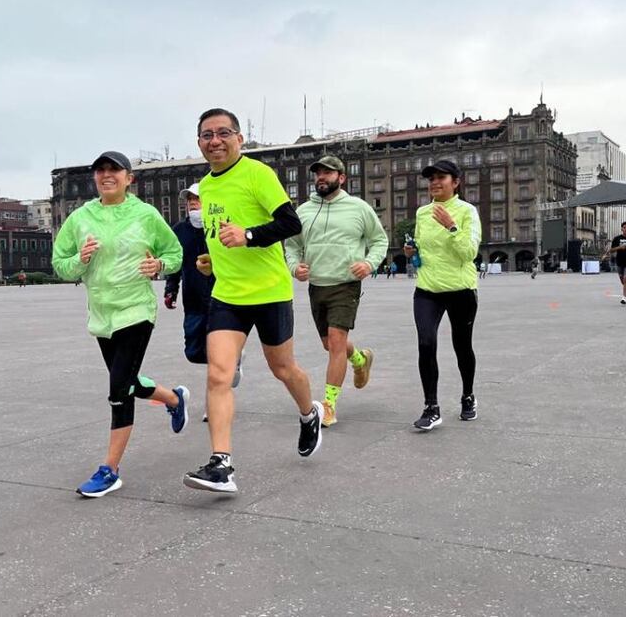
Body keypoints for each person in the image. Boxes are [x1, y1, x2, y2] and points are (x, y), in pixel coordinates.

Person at [183, 108, 320, 494]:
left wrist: (248, 236)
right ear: (199, 143)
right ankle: (221, 464)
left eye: (223, 133)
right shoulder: (205, 186)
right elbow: (219, 232)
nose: (215, 141)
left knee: (284, 369)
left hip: (269, 292)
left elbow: (291, 223)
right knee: (218, 375)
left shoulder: (258, 174)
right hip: (227, 295)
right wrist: (212, 261)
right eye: (207, 135)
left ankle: (309, 413)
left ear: (239, 139)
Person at [52, 150, 189, 498]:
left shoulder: (146, 215)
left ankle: (110, 470)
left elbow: (175, 254)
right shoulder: (80, 218)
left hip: (136, 310)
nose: (106, 175)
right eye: (100, 170)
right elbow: (60, 263)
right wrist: (80, 260)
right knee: (127, 379)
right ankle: (174, 399)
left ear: (129, 179)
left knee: (119, 390)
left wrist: (158, 265)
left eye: (114, 170)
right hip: (102, 314)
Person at [284, 154, 387, 427]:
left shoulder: (359, 208)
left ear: (341, 178)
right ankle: (360, 359)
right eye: (318, 173)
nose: (321, 177)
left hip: (346, 283)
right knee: (329, 344)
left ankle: (329, 405)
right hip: (317, 284)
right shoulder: (304, 211)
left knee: (337, 340)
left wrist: (369, 263)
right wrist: (294, 267)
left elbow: (379, 240)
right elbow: (292, 246)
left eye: (328, 173)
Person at [403, 159, 482, 431]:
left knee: (462, 345)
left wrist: (451, 227)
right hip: (427, 289)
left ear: (456, 182)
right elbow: (422, 249)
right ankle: (431, 407)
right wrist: (412, 252)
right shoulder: (422, 213)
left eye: (441, 178)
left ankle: (468, 396)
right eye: (431, 179)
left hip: (461, 289)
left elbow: (469, 252)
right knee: (426, 343)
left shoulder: (467, 211)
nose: (435, 183)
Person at [163, 182, 243, 422]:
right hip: (193, 299)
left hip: (221, 297)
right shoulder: (179, 230)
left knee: (216, 354)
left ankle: (216, 398)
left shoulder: (220, 228)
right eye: (189, 200)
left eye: (197, 199)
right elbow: (175, 263)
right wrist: (171, 289)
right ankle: (233, 360)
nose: (193, 204)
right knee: (194, 352)